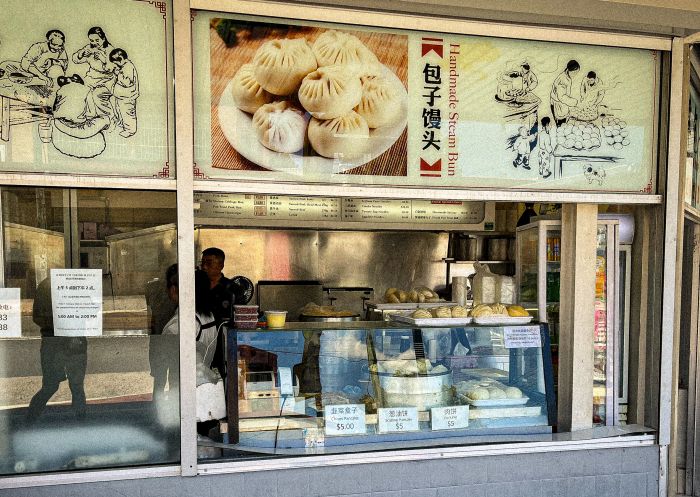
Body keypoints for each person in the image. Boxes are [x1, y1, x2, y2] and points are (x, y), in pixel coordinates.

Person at [161, 266, 219, 436]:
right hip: (203, 390)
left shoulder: (180, 324)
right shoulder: (208, 316)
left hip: (184, 395)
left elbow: (166, 364)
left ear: (174, 290)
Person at [26, 276, 87, 422]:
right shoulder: (77, 282)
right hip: (72, 341)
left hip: (53, 342)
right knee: (76, 387)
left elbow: (37, 317)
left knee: (51, 385)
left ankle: (30, 420)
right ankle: (81, 423)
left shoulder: (45, 285)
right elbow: (89, 313)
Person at [200, 247, 250, 380]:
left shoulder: (232, 289)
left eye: (209, 263)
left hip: (224, 345)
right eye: (202, 262)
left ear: (221, 265)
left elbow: (241, 319)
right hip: (201, 342)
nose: (204, 267)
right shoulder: (196, 287)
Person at [109, 48, 139, 138]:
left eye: (115, 63)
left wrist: (118, 74)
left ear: (121, 59)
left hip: (128, 97)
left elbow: (127, 82)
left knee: (128, 113)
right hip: (122, 96)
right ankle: (124, 125)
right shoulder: (124, 66)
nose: (115, 65)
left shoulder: (128, 67)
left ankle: (130, 130)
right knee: (121, 111)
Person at [550, 59, 580, 127]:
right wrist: (574, 102)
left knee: (564, 122)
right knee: (560, 125)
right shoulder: (563, 80)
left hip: (561, 104)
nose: (575, 75)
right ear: (570, 70)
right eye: (575, 73)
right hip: (557, 105)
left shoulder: (567, 75)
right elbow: (561, 97)